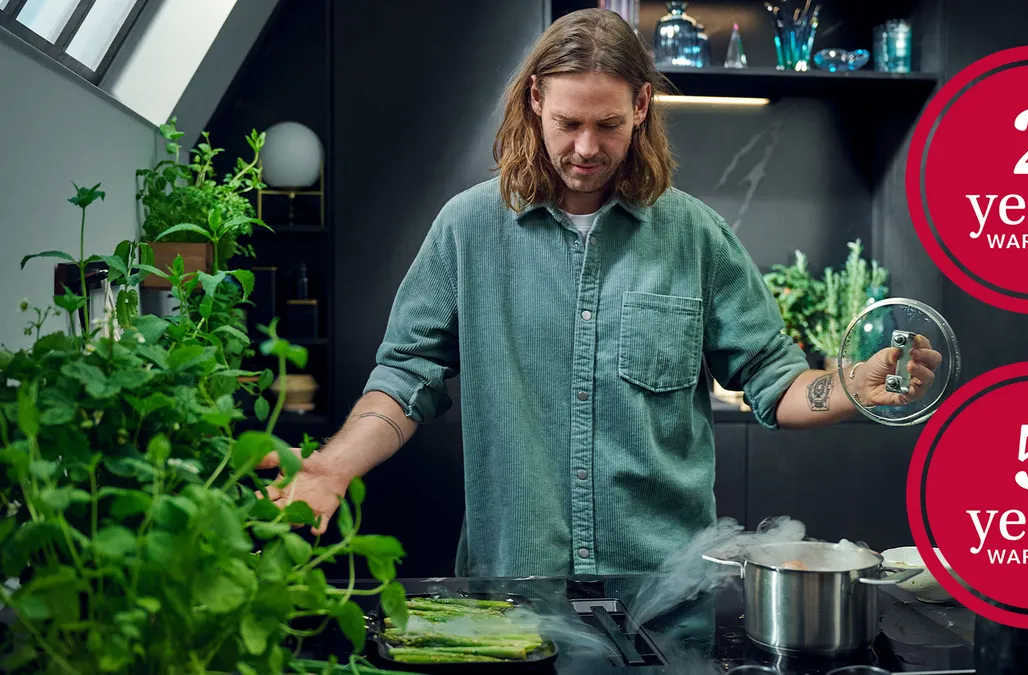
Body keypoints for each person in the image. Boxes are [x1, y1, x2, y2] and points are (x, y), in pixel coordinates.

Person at [257, 8, 943, 578]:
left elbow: (771, 379)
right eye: (568, 122)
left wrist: (849, 383)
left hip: (666, 593)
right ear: (536, 102)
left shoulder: (697, 237)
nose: (586, 146)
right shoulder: (467, 230)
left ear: (641, 107)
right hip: (515, 590)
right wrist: (331, 465)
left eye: (608, 124)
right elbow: (408, 375)